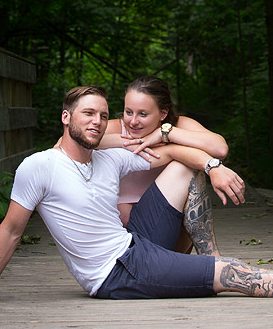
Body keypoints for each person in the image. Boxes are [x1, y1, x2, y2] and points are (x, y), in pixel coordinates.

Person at [0, 85, 273, 304]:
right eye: (88, 115)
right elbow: (12, 229)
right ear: (66, 118)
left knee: (184, 169)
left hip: (133, 244)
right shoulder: (40, 166)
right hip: (115, 274)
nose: (98, 122)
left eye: (103, 115)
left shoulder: (107, 158)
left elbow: (173, 153)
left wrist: (212, 164)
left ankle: (208, 259)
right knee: (230, 276)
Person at [97, 75, 227, 255]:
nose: (133, 121)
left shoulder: (178, 125)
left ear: (163, 113)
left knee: (188, 166)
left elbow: (220, 148)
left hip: (169, 227)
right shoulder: (116, 128)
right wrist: (127, 141)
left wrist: (166, 134)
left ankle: (211, 259)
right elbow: (67, 143)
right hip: (123, 237)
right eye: (128, 112)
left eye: (143, 114)